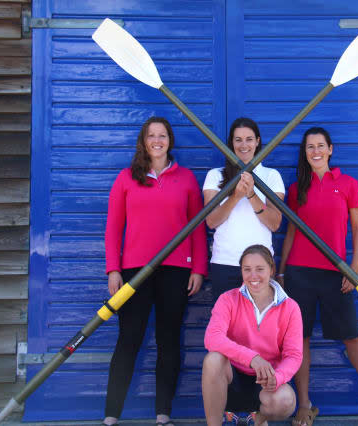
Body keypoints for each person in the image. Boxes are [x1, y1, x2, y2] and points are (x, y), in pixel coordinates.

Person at [278, 127, 358, 426]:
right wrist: (281, 271)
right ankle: (304, 406)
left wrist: (353, 271)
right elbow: (291, 232)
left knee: (352, 337)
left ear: (330, 149)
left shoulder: (349, 184)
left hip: (335, 273)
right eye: (309, 147)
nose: (315, 151)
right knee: (299, 341)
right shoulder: (296, 188)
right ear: (305, 152)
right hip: (300, 274)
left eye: (320, 146)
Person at [103, 117, 208, 426]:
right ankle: (111, 415)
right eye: (152, 136)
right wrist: (113, 269)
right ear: (144, 141)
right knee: (128, 340)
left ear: (170, 141)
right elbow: (113, 228)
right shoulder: (126, 178)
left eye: (163, 135)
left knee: (169, 341)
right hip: (135, 271)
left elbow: (198, 229)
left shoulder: (186, 179)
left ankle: (163, 414)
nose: (158, 141)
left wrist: (199, 268)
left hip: (176, 270)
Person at [202, 245, 303, 426]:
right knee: (213, 359)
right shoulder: (228, 299)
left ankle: (259, 419)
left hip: (265, 383)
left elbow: (294, 355)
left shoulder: (290, 307)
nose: (253, 276)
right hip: (231, 380)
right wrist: (252, 358)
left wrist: (277, 377)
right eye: (247, 269)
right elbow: (212, 337)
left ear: (271, 270)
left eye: (260, 269)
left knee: (286, 401)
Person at [202, 117, 285, 303]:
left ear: (257, 141)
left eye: (249, 139)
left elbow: (274, 223)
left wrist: (251, 196)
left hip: (260, 265)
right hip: (225, 263)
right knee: (227, 327)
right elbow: (211, 221)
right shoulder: (215, 176)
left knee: (259, 327)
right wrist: (236, 196)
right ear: (231, 143)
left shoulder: (272, 176)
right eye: (238, 140)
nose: (243, 145)